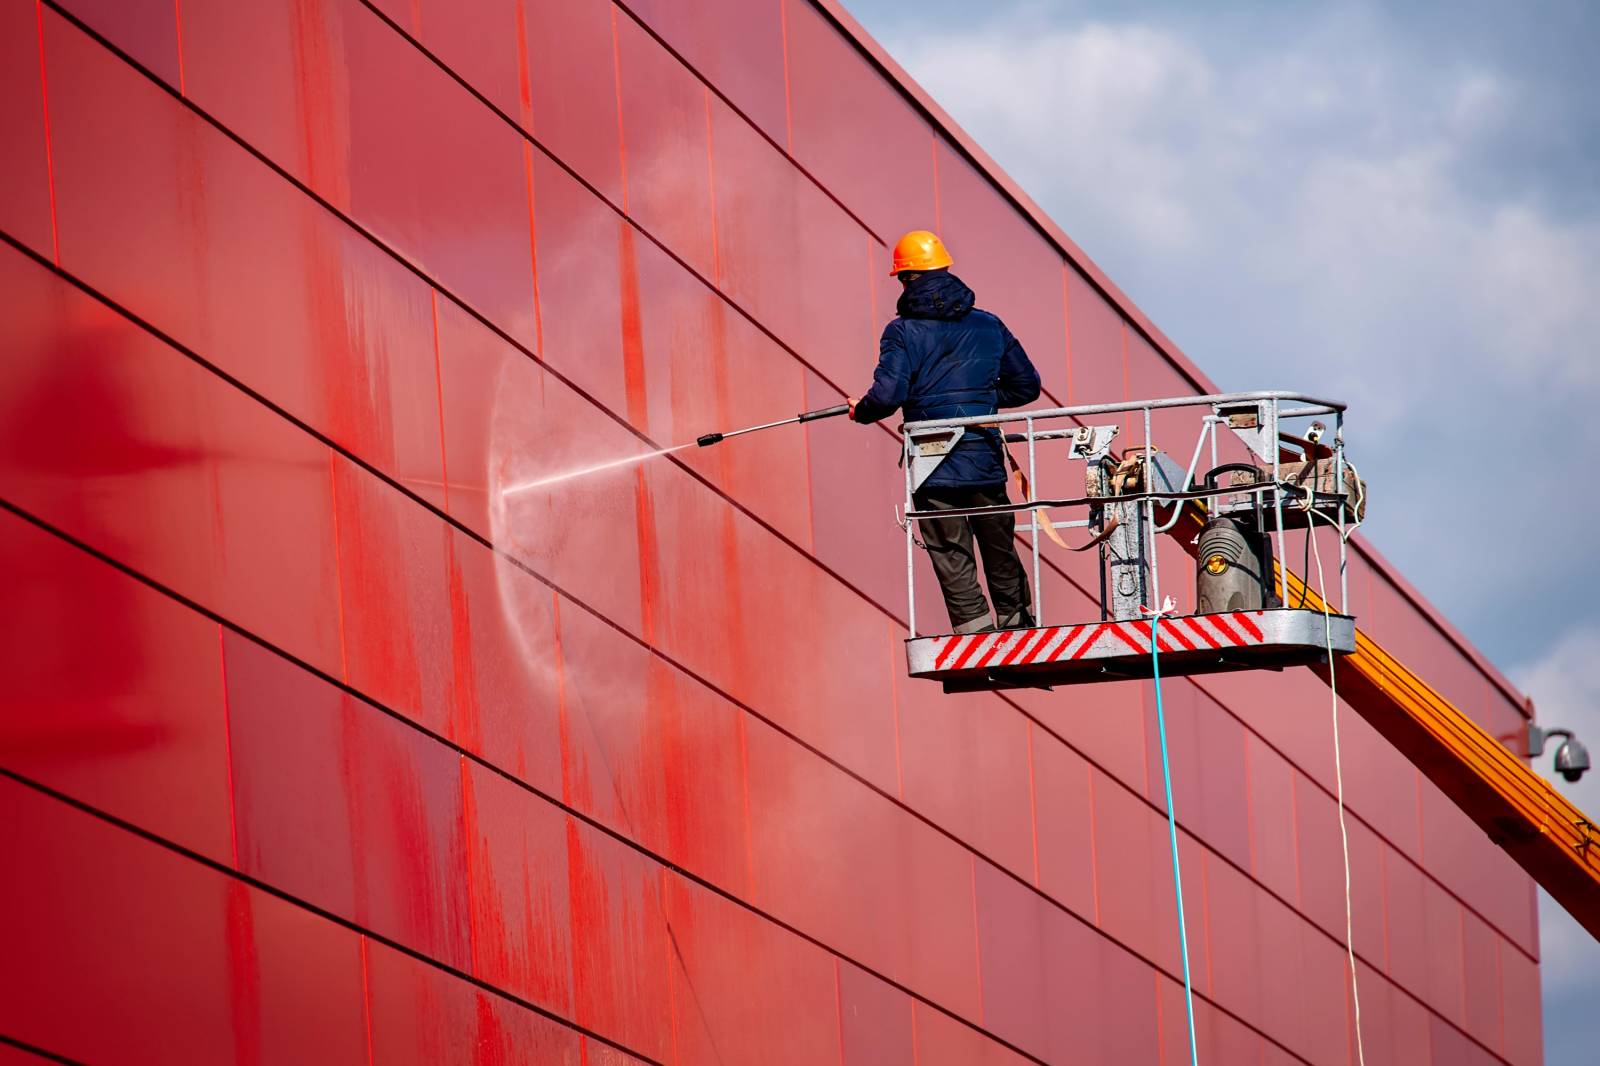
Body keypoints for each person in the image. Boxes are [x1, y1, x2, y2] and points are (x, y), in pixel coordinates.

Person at [850, 230, 1042, 635]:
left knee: (949, 548)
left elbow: (887, 396)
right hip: (983, 453)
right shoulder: (990, 325)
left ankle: (973, 628)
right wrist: (978, 403)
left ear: (906, 279)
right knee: (998, 542)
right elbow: (1026, 386)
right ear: (946, 269)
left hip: (932, 460)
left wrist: (861, 412)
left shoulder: (901, 332)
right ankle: (1017, 622)